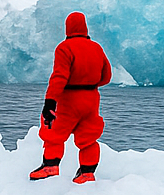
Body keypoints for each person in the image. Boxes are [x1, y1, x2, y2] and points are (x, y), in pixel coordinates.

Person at [30, 11, 112, 183]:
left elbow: (59, 77)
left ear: (68, 27)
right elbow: (107, 76)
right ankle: (87, 173)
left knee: (53, 130)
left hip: (69, 99)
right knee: (89, 136)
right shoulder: (96, 48)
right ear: (85, 27)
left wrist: (50, 102)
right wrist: (90, 85)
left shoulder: (64, 48)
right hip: (91, 98)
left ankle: (50, 167)